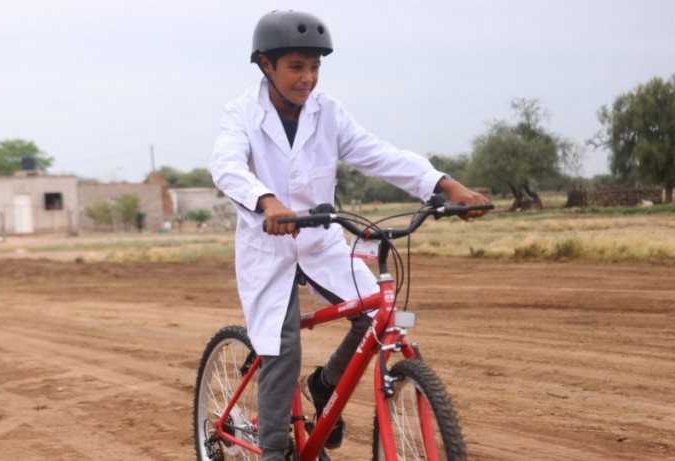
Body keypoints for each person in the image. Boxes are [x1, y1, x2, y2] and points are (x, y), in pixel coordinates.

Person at [209, 10, 490, 461]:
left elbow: (378, 154)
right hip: (271, 248)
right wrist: (267, 201)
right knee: (282, 347)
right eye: (297, 67)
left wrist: (443, 185)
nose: (308, 79)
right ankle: (273, 451)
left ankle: (325, 386)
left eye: (315, 67)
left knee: (374, 315)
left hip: (320, 243)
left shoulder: (329, 113)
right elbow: (226, 166)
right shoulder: (241, 114)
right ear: (266, 65)